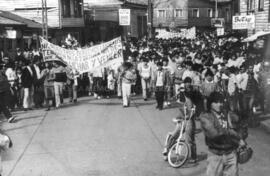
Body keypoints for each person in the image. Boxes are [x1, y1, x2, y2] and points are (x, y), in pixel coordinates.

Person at [200, 92, 246, 176]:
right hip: (215, 155)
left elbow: (242, 126)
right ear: (210, 103)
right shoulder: (205, 116)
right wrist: (233, 134)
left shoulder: (227, 114)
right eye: (216, 102)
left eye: (221, 102)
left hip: (231, 154)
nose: (219, 104)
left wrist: (240, 138)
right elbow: (214, 134)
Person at [163, 77, 203, 162]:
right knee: (174, 135)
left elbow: (198, 105)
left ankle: (193, 157)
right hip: (182, 119)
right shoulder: (181, 94)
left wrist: (195, 113)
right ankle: (167, 151)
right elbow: (179, 106)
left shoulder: (194, 94)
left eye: (189, 82)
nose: (187, 84)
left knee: (190, 139)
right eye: (186, 83)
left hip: (189, 120)